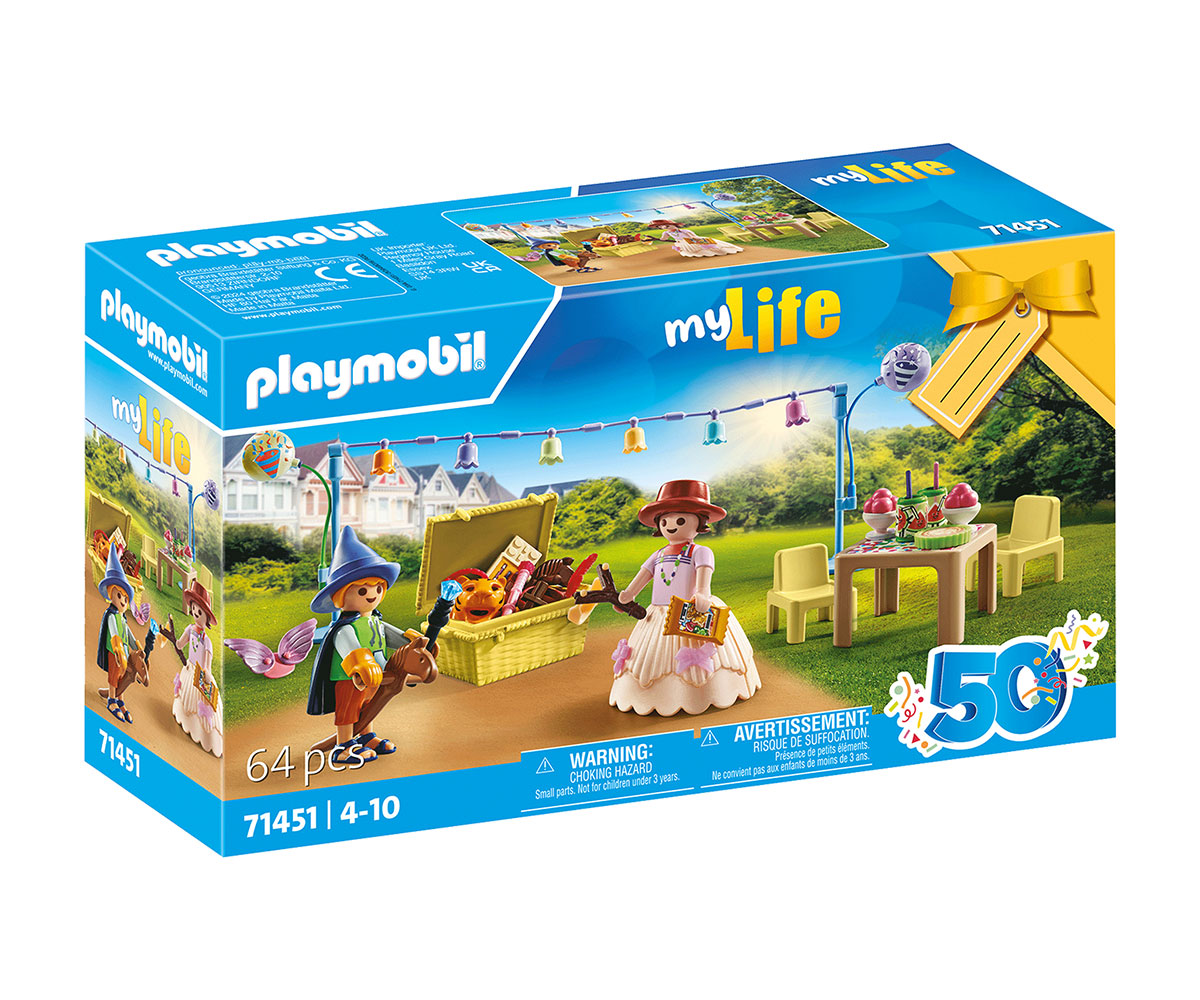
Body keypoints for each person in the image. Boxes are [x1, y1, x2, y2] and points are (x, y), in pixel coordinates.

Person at [611, 480, 761, 715]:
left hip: (690, 610)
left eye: (680, 520)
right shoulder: (658, 554)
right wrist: (628, 595)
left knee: (701, 655)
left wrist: (702, 593)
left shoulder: (700, 552)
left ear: (700, 521)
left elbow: (704, 575)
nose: (671, 526)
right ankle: (652, 696)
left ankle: (706, 693)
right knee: (652, 656)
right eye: (665, 521)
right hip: (658, 614)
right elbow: (643, 577)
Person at [307, 527, 414, 764]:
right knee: (349, 709)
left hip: (376, 675)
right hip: (351, 678)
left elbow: (390, 636)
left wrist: (412, 642)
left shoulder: (375, 621)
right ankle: (343, 745)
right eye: (363, 590)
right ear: (340, 596)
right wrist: (363, 663)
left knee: (369, 705)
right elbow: (350, 646)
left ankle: (366, 736)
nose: (372, 595)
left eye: (378, 588)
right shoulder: (344, 628)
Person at [170, 580, 222, 757]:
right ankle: (184, 718)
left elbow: (207, 662)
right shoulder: (190, 630)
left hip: (200, 672)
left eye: (199, 612)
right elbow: (181, 643)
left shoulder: (207, 641)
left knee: (202, 704)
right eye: (194, 611)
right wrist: (177, 643)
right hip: (190, 669)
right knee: (185, 696)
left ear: (206, 616)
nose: (195, 614)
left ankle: (202, 733)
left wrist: (207, 671)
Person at [96, 545, 139, 723]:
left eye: (125, 598)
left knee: (122, 676)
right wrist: (117, 647)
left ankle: (120, 700)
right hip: (114, 652)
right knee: (114, 675)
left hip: (124, 653)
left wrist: (136, 645)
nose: (122, 601)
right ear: (110, 592)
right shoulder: (112, 616)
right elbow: (114, 632)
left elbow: (127, 632)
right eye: (119, 595)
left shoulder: (123, 618)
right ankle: (112, 700)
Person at [647, 218, 744, 258]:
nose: (664, 228)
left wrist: (694, 240)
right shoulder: (666, 233)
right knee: (691, 250)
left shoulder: (684, 231)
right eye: (661, 227)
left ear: (673, 225)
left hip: (691, 240)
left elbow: (693, 236)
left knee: (707, 245)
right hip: (682, 242)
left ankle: (719, 250)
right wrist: (655, 239)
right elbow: (663, 239)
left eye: (667, 226)